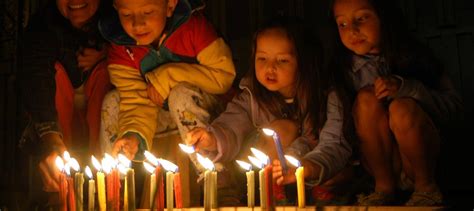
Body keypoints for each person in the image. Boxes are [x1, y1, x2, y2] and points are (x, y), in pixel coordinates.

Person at [186, 16, 353, 205]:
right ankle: (275, 196)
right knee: (281, 130)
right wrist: (212, 138)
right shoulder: (251, 97)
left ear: (304, 61)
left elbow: (334, 145)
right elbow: (232, 125)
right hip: (268, 176)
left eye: (282, 60)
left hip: (314, 171)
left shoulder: (327, 96)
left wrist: (309, 167)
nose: (270, 67)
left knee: (339, 172)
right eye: (262, 58)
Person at [98, 0, 237, 204]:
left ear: (170, 5)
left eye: (147, 12)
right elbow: (134, 100)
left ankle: (218, 178)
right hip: (157, 114)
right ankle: (113, 189)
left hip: (208, 113)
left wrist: (167, 77)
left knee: (179, 94)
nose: (137, 24)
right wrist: (132, 134)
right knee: (112, 102)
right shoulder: (121, 47)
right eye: (127, 15)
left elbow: (224, 76)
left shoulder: (193, 28)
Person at [331, 0, 463, 206]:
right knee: (367, 98)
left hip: (423, 161)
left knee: (401, 107)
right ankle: (383, 189)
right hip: (380, 165)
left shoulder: (419, 58)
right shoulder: (342, 72)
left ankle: (426, 188)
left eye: (362, 18)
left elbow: (453, 110)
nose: (352, 30)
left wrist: (408, 89)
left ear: (385, 18)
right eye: (342, 24)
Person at [19, 0, 113, 204]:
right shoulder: (42, 28)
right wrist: (52, 141)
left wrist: (108, 53)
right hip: (59, 127)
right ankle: (63, 192)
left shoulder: (118, 21)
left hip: (103, 129)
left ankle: (108, 189)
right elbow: (37, 80)